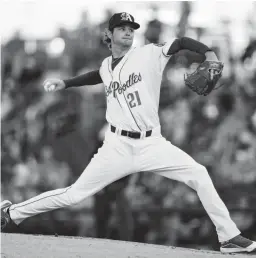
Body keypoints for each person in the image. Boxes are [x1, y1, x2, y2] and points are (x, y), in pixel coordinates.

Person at [1, 12, 255, 254]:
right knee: (73, 195)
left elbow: (180, 42)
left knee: (198, 174)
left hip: (152, 144)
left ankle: (229, 237)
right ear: (109, 34)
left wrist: (208, 53)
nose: (128, 33)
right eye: (122, 29)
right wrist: (66, 83)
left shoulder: (149, 54)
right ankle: (11, 213)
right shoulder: (106, 66)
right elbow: (97, 75)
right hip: (116, 146)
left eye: (131, 29)